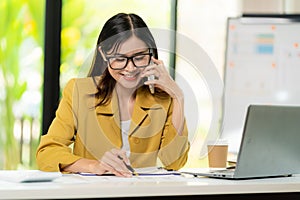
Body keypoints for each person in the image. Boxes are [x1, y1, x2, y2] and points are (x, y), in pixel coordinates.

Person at [36, 13, 189, 177]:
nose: (130, 68)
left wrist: (178, 97)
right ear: (103, 53)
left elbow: (174, 162)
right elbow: (47, 153)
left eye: (139, 57)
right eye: (119, 58)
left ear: (151, 54)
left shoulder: (163, 99)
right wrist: (93, 166)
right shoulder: (78, 91)